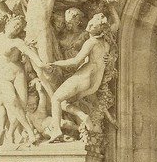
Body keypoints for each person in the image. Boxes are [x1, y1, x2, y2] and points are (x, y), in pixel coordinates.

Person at [37, 13, 114, 143]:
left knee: (56, 98)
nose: (89, 26)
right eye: (90, 23)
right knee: (64, 103)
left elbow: (75, 61)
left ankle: (56, 131)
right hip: (93, 85)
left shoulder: (91, 42)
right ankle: (83, 116)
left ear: (99, 29)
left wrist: (55, 63)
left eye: (93, 26)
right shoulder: (106, 45)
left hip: (84, 77)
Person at [0, 15, 46, 146]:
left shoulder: (18, 42)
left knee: (22, 105)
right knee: (12, 100)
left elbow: (29, 52)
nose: (17, 28)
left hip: (18, 73)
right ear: (8, 25)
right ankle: (30, 132)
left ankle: (10, 132)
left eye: (19, 27)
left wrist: (40, 63)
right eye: (15, 24)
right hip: (3, 76)